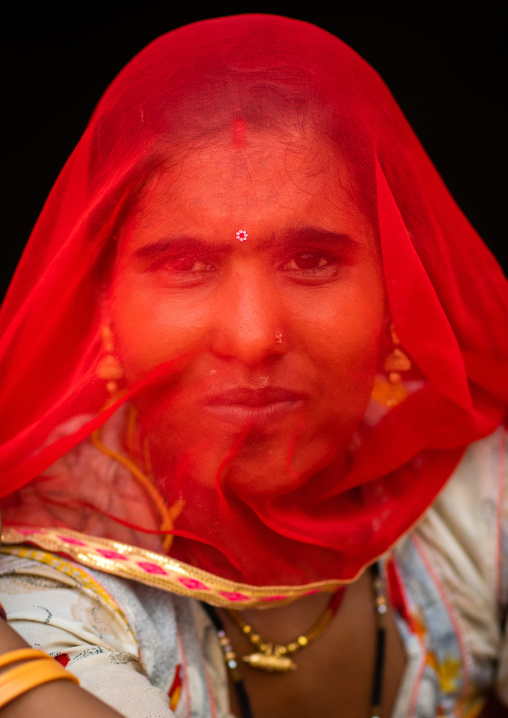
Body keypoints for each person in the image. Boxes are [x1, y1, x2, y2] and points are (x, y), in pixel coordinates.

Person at [0, 13, 507, 718]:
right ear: (103, 301)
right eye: (186, 264)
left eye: (312, 260)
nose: (252, 337)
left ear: (399, 285)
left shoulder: (472, 485)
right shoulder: (41, 585)